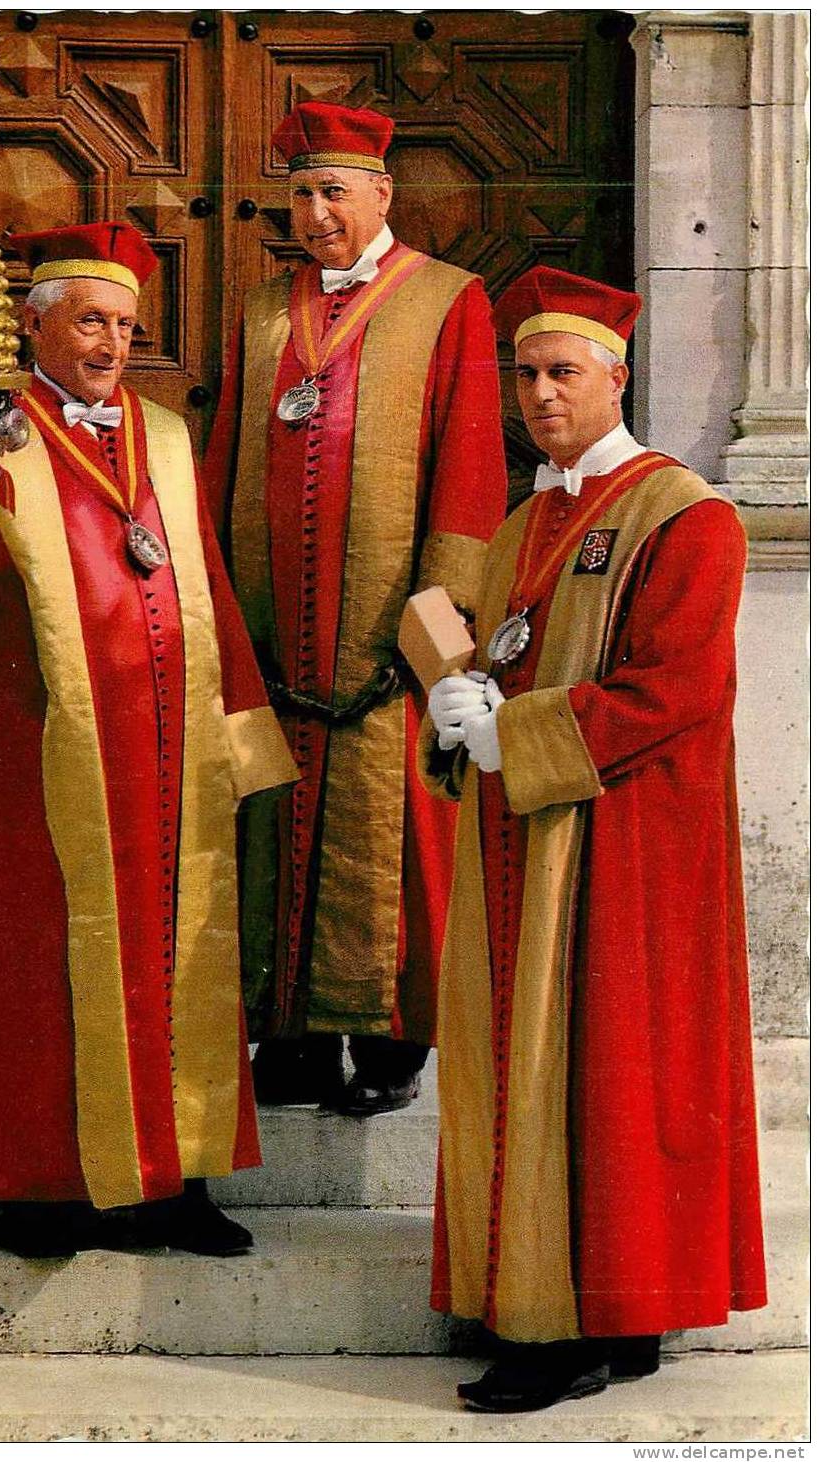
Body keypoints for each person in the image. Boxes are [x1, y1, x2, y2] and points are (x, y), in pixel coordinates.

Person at [0, 222, 297, 1258]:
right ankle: (43, 1187)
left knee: (179, 961)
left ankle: (173, 1180)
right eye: (89, 320)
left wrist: (239, 730)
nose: (109, 342)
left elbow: (201, 581)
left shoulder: (164, 435)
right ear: (35, 324)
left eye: (123, 324)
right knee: (45, 967)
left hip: (169, 751)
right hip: (37, 754)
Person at [423, 265, 767, 1411]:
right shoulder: (527, 517)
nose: (537, 393)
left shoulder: (686, 513)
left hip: (627, 844)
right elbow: (497, 646)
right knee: (530, 1068)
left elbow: (675, 689)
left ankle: (580, 1322)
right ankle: (570, 1307)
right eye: (521, 373)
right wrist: (454, 698)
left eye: (560, 371)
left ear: (616, 377)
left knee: (611, 1074)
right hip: (526, 832)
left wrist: (509, 728)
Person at [204, 101, 507, 1114]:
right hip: (273, 633)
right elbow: (226, 457)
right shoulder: (257, 309)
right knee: (270, 827)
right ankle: (288, 1042)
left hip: (386, 639)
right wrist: (218, 605)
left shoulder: (447, 301)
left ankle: (385, 1045)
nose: (314, 210)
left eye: (333, 190)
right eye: (298, 192)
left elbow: (467, 472)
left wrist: (433, 629)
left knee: (389, 840)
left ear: (381, 192)